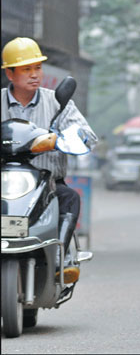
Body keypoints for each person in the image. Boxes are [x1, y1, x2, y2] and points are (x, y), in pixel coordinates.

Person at [1, 37, 98, 284]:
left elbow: (87, 135)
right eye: (26, 69)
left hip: (47, 186)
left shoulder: (57, 102)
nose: (34, 75)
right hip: (4, 185)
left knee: (70, 198)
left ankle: (60, 258)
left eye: (37, 68)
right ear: (10, 74)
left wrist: (64, 138)